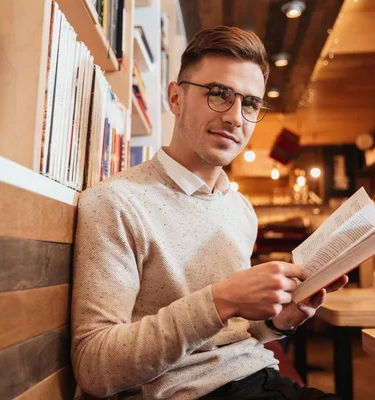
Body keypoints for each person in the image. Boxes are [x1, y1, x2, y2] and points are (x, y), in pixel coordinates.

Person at [71, 25, 348, 400]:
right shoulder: (115, 203)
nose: (236, 117)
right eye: (219, 94)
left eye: (250, 103)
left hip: (258, 377)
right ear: (176, 97)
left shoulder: (240, 209)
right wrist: (221, 300)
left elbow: (230, 335)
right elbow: (95, 367)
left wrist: (279, 322)